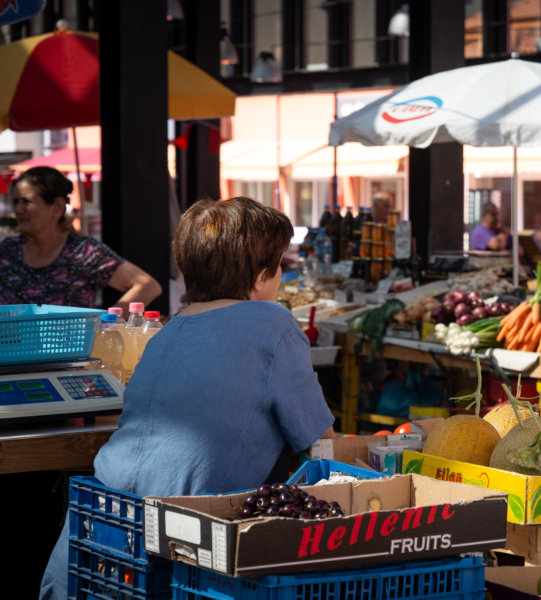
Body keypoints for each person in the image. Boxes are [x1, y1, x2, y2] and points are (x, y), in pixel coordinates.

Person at [39, 196, 335, 600]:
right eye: (280, 265)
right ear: (259, 276)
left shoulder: (170, 329)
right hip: (185, 539)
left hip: (98, 523)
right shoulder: (273, 323)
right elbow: (321, 442)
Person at [0, 166, 162, 313]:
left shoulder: (84, 252)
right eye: (16, 202)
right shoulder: (7, 251)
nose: (18, 210)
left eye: (26, 201)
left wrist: (103, 323)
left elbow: (148, 286)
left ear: (57, 207)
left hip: (68, 346)